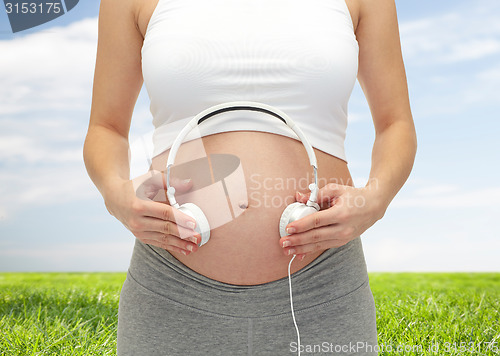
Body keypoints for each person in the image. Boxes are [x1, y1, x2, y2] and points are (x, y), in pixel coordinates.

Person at [83, 0, 417, 354]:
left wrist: (376, 198)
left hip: (324, 286)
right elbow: (107, 128)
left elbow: (396, 124)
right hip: (170, 287)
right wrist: (114, 192)